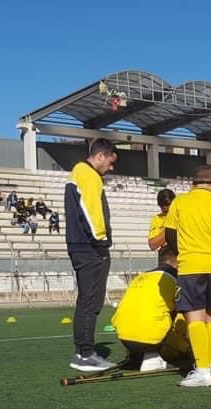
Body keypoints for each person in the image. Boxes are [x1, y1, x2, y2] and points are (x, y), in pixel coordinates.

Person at [163, 165, 211, 387]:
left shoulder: (180, 202)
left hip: (191, 266)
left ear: (193, 183)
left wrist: (181, 253)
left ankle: (202, 370)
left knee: (195, 317)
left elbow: (169, 234)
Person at [65, 138, 118, 373]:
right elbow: (91, 211)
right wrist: (101, 240)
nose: (111, 167)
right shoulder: (88, 175)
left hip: (82, 246)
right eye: (110, 162)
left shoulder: (80, 173)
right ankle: (85, 354)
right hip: (90, 248)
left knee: (88, 300)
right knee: (90, 300)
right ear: (100, 156)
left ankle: (85, 352)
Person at [111, 246, 190, 370]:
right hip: (150, 339)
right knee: (181, 313)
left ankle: (136, 354)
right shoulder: (175, 279)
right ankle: (152, 357)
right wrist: (186, 347)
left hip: (123, 337)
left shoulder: (140, 277)